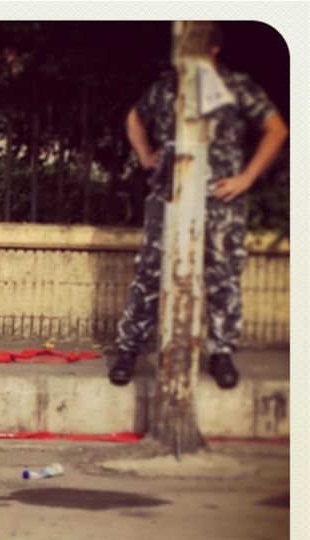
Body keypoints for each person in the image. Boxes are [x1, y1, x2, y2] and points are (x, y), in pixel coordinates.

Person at [109, 25, 288, 389]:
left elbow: (276, 129)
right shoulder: (167, 86)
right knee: (149, 272)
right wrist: (147, 157)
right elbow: (134, 119)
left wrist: (247, 178)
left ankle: (221, 352)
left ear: (215, 48)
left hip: (221, 199)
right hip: (169, 195)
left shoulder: (236, 86)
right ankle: (128, 350)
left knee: (223, 273)